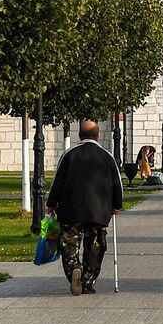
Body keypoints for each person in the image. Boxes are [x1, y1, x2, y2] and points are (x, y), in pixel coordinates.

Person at [46, 119, 124, 296]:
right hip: (98, 210)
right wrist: (117, 205)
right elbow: (116, 184)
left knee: (69, 244)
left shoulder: (69, 155)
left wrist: (51, 203)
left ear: (79, 135)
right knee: (95, 245)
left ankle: (74, 268)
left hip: (70, 209)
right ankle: (88, 280)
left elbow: (57, 181)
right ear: (98, 135)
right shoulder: (107, 156)